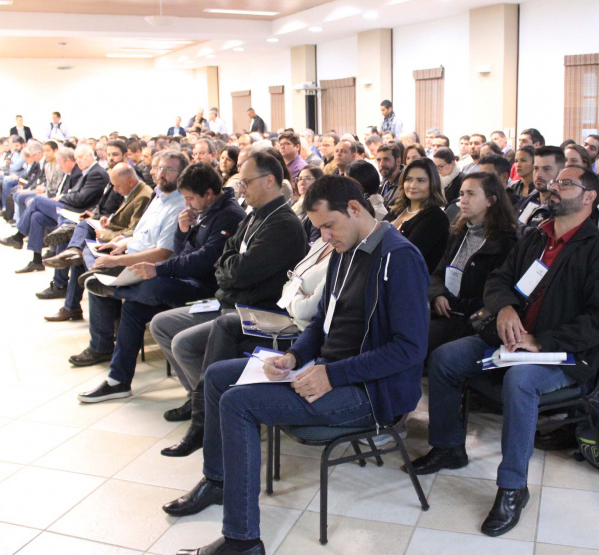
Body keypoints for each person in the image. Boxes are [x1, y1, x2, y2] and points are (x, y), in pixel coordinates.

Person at [170, 175, 429, 555]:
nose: (324, 237)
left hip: (369, 393)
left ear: (354, 209)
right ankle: (219, 480)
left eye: (328, 225)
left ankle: (243, 541)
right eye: (320, 228)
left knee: (237, 403)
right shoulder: (345, 249)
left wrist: (331, 374)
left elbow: (409, 350)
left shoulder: (399, 258)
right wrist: (295, 356)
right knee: (216, 377)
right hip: (327, 371)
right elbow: (323, 321)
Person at [411, 166, 599, 537]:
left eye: (566, 184)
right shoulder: (535, 239)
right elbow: (499, 279)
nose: (554, 188)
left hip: (563, 354)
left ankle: (512, 487)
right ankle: (448, 447)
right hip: (511, 340)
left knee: (521, 382)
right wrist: (506, 308)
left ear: (590, 197)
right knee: (446, 358)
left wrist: (541, 342)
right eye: (555, 182)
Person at [151, 151, 307, 421]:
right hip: (227, 301)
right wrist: (227, 269)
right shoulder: (253, 216)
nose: (241, 189)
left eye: (246, 182)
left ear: (269, 180)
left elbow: (240, 271)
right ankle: (198, 397)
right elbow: (223, 259)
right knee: (161, 324)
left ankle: (212, 407)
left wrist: (227, 269)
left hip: (253, 311)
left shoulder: (283, 224)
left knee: (184, 344)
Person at [75, 162, 246, 402]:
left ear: (208, 193)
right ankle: (118, 380)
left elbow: (204, 261)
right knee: (134, 309)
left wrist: (157, 269)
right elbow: (182, 253)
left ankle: (118, 289)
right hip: (188, 279)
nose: (187, 203)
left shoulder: (229, 215)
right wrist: (182, 230)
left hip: (209, 289)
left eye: (190, 198)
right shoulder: (202, 210)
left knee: (153, 285)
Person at [428, 172, 517, 353]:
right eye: (461, 194)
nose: (463, 200)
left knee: (417, 339)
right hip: (445, 310)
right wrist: (438, 294)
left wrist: (454, 304)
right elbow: (437, 273)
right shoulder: (458, 233)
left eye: (471, 194)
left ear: (490, 201)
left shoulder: (505, 241)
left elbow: (493, 292)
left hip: (472, 319)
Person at [0, 145, 108, 273]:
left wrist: (62, 197)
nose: (79, 161)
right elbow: (75, 195)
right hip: (71, 208)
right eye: (77, 158)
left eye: (81, 157)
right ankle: (36, 260)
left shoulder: (96, 173)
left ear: (90, 155)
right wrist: (63, 196)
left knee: (37, 201)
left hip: (79, 212)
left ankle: (18, 236)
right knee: (36, 216)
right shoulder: (86, 172)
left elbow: (81, 199)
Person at [384, 158, 450, 273]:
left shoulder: (435, 217)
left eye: (421, 180)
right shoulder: (397, 208)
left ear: (432, 184)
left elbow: (406, 255)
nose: (412, 185)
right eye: (409, 179)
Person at [515, 146, 565, 228]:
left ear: (561, 172)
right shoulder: (526, 201)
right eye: (536, 168)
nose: (538, 174)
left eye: (546, 169)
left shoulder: (563, 207)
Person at [377, 143, 403, 207]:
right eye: (378, 160)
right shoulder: (383, 184)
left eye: (386, 159)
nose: (381, 164)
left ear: (398, 161)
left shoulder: (405, 185)